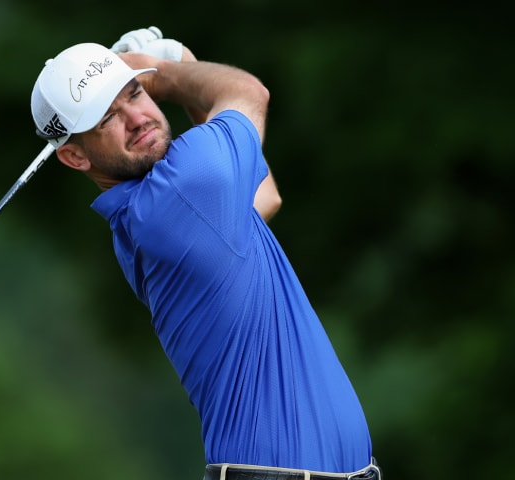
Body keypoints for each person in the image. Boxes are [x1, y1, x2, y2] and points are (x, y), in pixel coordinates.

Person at [30, 27, 380, 480]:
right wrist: (164, 71)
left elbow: (265, 195)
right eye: (105, 119)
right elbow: (248, 92)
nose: (137, 118)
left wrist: (176, 64)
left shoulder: (166, 209)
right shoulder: (179, 191)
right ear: (75, 157)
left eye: (134, 94)